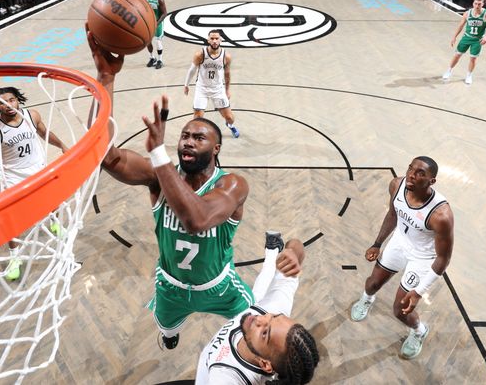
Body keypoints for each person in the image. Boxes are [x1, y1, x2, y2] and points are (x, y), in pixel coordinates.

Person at [87, 31, 254, 349]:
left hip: (220, 286)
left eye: (199, 137)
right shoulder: (158, 175)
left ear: (216, 149)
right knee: (165, 329)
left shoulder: (232, 184)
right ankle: (170, 332)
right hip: (171, 286)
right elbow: (106, 155)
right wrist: (105, 78)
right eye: (185, 135)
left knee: (252, 328)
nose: (189, 140)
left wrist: (158, 154)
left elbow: (198, 218)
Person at [350, 157, 454, 360]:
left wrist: (419, 292)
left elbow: (443, 259)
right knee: (372, 284)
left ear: (432, 181)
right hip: (399, 242)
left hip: (422, 257)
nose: (412, 175)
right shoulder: (397, 185)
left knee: (400, 310)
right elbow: (392, 215)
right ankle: (367, 300)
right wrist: (377, 243)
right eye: (410, 168)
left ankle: (419, 331)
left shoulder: (441, 215)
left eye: (420, 173)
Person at [195, 232, 319, 385]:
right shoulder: (272, 309)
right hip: (207, 358)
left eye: (265, 333)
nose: (261, 317)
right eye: (274, 317)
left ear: (265, 364)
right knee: (261, 291)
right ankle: (273, 251)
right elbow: (297, 246)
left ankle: (272, 251)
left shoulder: (226, 378)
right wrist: (292, 253)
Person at [0, 87, 68, 281]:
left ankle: (55, 223)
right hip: (13, 178)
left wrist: (61, 145)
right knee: (10, 220)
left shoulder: (31, 115)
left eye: (12, 100)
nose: (8, 105)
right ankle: (14, 257)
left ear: (18, 100)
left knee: (54, 201)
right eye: (2, 102)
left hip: (38, 169)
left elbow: (45, 133)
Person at [184, 29, 240, 138]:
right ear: (208, 40)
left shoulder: (226, 56)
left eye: (217, 38)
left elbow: (227, 74)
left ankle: (230, 125)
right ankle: (197, 137)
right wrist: (186, 84)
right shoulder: (200, 54)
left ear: (221, 40)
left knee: (230, 118)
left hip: (217, 89)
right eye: (212, 38)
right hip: (202, 88)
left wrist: (227, 90)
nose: (214, 41)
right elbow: (192, 70)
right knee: (197, 117)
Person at [442, 0, 486, 85]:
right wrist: (454, 37)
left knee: (473, 58)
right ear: (473, 4)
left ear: (483, 4)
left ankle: (469, 75)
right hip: (466, 37)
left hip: (477, 40)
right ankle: (449, 70)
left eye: (479, 4)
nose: (477, 6)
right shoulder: (467, 13)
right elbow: (461, 26)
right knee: (457, 55)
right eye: (475, 4)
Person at [145, 0, 168, 69]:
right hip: (148, 23)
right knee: (148, 42)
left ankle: (160, 60)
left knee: (158, 42)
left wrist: (157, 23)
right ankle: (152, 58)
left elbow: (165, 13)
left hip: (158, 22)